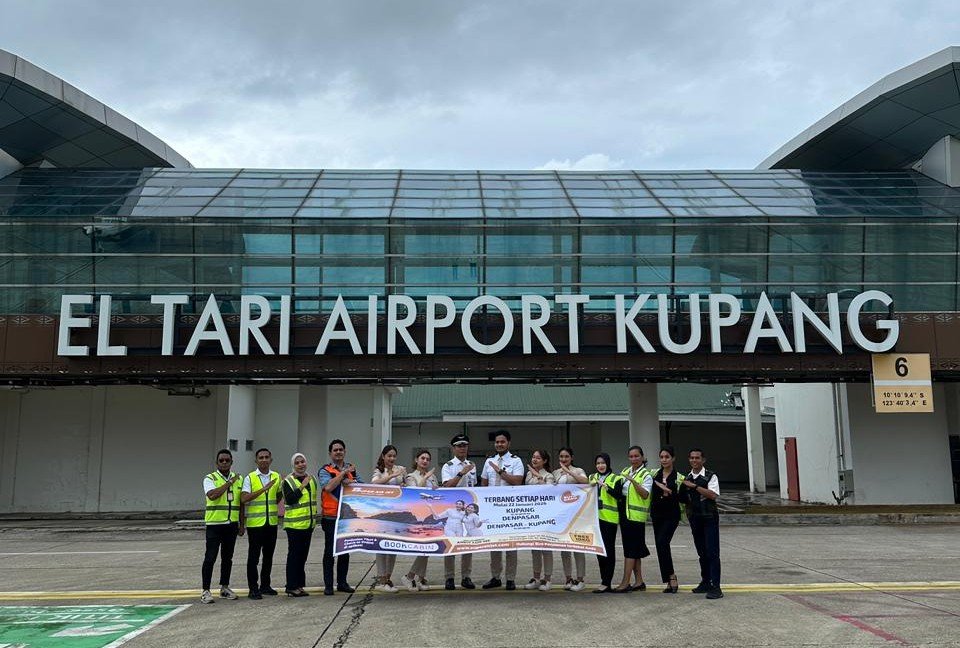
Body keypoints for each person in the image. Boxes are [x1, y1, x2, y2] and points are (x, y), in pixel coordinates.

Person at [480, 429, 525, 591]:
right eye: (497, 442)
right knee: (495, 545)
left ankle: (511, 578)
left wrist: (499, 471)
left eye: (502, 442)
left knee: (511, 545)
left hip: (510, 509)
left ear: (508, 443)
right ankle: (495, 577)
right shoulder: (489, 461)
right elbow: (484, 483)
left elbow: (517, 481)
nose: (499, 444)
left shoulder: (516, 461)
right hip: (493, 509)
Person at [201, 449, 244, 604]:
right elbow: (212, 495)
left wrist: (241, 524)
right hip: (214, 524)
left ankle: (224, 587)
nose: (224, 463)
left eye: (227, 460)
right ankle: (205, 590)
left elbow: (241, 503)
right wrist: (229, 483)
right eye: (221, 460)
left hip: (231, 525)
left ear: (231, 461)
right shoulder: (210, 478)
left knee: (227, 558)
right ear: (217, 463)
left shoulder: (238, 479)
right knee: (210, 558)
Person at [680, 448, 722, 599]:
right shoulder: (687, 477)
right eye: (691, 458)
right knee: (702, 552)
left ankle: (716, 586)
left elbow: (713, 495)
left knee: (712, 552)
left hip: (709, 517)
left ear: (703, 460)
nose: (694, 460)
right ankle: (705, 582)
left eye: (697, 458)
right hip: (695, 518)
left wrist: (695, 487)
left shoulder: (711, 476)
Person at [317, 439, 357, 596]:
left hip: (346, 517)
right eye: (335, 450)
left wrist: (349, 480)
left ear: (345, 451)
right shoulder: (325, 470)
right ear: (330, 453)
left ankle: (342, 582)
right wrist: (342, 475)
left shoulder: (352, 470)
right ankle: (328, 585)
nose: (338, 452)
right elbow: (328, 487)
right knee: (329, 552)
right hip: (331, 517)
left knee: (344, 551)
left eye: (341, 449)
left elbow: (360, 486)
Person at [241, 447, 281, 599]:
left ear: (271, 460)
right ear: (256, 460)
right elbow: (244, 499)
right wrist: (263, 490)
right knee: (254, 557)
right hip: (255, 524)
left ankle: (265, 585)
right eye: (261, 457)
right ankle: (253, 588)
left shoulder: (276, 477)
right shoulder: (250, 478)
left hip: (271, 523)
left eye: (266, 457)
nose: (264, 460)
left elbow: (278, 496)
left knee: (268, 556)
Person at [440, 433, 477, 590]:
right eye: (459, 445)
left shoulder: (472, 464)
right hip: (454, 507)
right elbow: (447, 486)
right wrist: (462, 472)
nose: (462, 448)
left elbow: (474, 486)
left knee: (466, 544)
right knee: (451, 544)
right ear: (453, 448)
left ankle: (466, 576)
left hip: (467, 509)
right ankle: (449, 577)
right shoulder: (448, 466)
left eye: (465, 445)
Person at [612, 445, 653, 593]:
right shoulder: (625, 471)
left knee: (630, 551)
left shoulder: (645, 475)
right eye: (631, 456)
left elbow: (645, 494)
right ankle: (639, 581)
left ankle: (625, 582)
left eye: (636, 456)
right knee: (634, 550)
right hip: (625, 515)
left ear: (642, 457)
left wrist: (633, 481)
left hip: (636, 518)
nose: (634, 459)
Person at [370, 445, 407, 593]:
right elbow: (374, 483)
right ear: (384, 457)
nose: (392, 459)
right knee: (381, 546)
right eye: (389, 456)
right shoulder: (378, 470)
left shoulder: (400, 469)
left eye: (394, 456)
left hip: (396, 513)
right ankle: (381, 579)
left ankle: (388, 578)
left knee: (393, 546)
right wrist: (391, 476)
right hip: (382, 512)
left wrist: (403, 481)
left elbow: (407, 485)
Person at [402, 449, 439, 592]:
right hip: (417, 514)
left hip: (429, 514)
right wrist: (426, 477)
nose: (425, 461)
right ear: (416, 460)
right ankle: (410, 576)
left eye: (428, 459)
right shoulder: (411, 476)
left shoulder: (433, 477)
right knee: (424, 548)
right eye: (422, 458)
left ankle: (420, 577)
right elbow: (415, 493)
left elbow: (434, 494)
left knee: (428, 547)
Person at [553, 447, 588, 591]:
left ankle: (580, 579)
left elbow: (586, 481)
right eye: (561, 456)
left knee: (578, 547)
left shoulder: (578, 470)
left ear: (571, 457)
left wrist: (568, 472)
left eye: (566, 456)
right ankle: (568, 578)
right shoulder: (555, 473)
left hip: (576, 513)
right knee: (564, 548)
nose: (563, 459)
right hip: (561, 515)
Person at [651, 445, 685, 594]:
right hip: (657, 514)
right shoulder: (654, 474)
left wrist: (670, 493)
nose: (664, 460)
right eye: (662, 457)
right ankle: (669, 580)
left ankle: (672, 577)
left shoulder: (679, 477)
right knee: (660, 546)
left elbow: (684, 498)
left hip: (671, 515)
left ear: (673, 459)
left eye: (667, 457)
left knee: (662, 542)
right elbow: (647, 485)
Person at [282, 452, 317, 597]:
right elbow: (290, 499)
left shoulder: (312, 479)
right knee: (294, 556)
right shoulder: (288, 481)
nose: (301, 465)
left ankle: (299, 585)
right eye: (297, 463)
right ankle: (291, 586)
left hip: (308, 524)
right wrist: (302, 486)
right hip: (294, 526)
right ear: (293, 465)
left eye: (302, 462)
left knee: (303, 556)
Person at [590, 452, 623, 593]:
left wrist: (606, 487)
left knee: (608, 550)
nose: (600, 466)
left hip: (609, 519)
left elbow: (619, 495)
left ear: (608, 463)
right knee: (599, 551)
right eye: (598, 463)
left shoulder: (616, 478)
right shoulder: (592, 477)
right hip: (595, 519)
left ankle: (607, 582)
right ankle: (603, 579)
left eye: (603, 463)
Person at [524, 449, 556, 591]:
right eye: (533, 457)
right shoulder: (528, 475)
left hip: (545, 516)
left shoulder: (548, 475)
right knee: (535, 548)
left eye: (538, 458)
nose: (534, 460)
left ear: (545, 461)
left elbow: (548, 492)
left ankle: (547, 579)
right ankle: (536, 578)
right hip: (531, 516)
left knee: (546, 549)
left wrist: (538, 476)